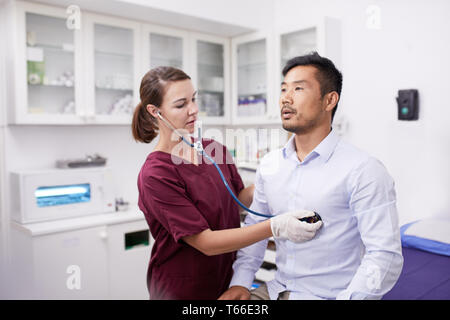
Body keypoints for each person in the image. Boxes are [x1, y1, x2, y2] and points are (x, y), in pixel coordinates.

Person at [219, 52, 403, 300]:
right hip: (274, 291)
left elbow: (384, 255)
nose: (286, 98)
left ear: (329, 100)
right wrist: (240, 283)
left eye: (298, 89)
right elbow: (255, 229)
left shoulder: (364, 170)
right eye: (284, 89)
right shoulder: (270, 165)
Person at [131, 66, 323, 300]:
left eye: (194, 99)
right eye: (181, 105)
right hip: (182, 289)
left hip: (226, 281)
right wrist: (275, 226)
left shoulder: (213, 149)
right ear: (155, 111)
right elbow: (205, 242)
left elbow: (235, 200)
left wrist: (268, 178)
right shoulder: (156, 174)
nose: (194, 110)